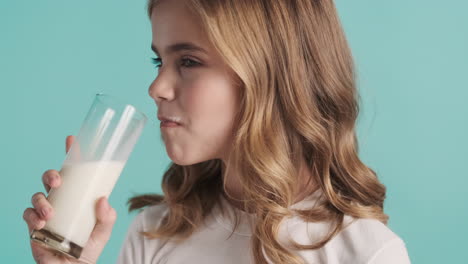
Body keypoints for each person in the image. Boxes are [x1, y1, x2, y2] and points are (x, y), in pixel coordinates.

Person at [23, 0, 412, 263]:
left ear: (270, 74)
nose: (156, 87)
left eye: (188, 61)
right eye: (159, 60)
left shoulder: (364, 253)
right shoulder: (155, 233)